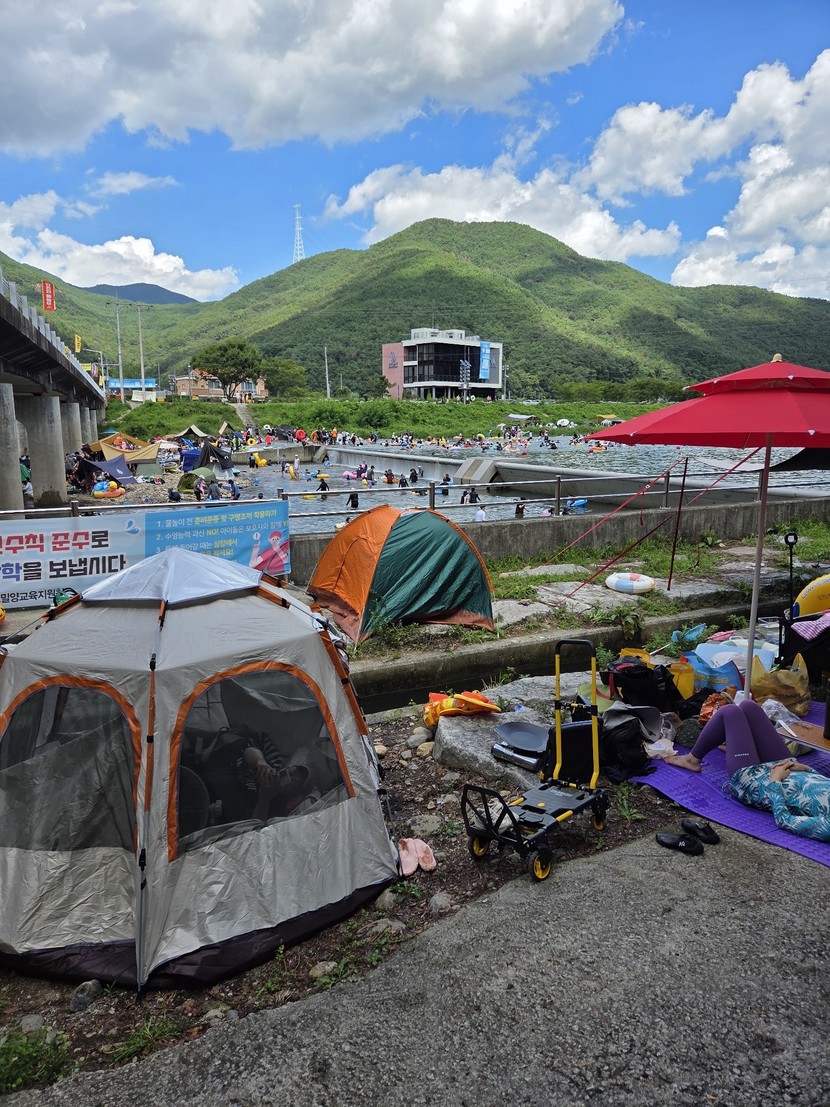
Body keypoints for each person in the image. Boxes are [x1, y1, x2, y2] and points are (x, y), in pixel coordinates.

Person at [666, 699, 830, 842]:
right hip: (791, 770)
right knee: (749, 707)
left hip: (759, 783)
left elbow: (785, 820)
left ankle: (692, 760)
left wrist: (775, 781)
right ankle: (740, 747)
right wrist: (808, 770)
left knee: (730, 712)